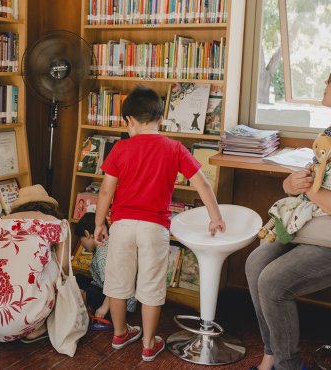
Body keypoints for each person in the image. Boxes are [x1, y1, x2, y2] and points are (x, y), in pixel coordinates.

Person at [94, 86, 226, 362]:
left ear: (130, 120)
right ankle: (148, 343)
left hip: (122, 225)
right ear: (160, 118)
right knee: (152, 286)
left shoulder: (120, 148)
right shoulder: (174, 147)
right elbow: (201, 183)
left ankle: (119, 333)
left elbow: (106, 191)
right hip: (154, 227)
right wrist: (215, 216)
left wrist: (99, 224)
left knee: (117, 282)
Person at [246, 57, 331, 370]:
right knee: (255, 263)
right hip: (316, 226)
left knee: (273, 282)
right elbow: (310, 181)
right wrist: (292, 184)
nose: (326, 80)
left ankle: (287, 365)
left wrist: (311, 191)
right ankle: (272, 355)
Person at [0, 184, 69, 343]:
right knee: (51, 261)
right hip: (26, 314)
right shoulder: (56, 224)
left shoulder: (1, 223)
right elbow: (64, 267)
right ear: (48, 206)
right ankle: (36, 329)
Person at [74, 212, 136, 324]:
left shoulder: (102, 256)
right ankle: (85, 300)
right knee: (77, 278)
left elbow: (114, 284)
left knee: (91, 292)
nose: (81, 244)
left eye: (81, 239)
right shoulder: (105, 244)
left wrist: (104, 307)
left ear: (87, 234)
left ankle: (83, 305)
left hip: (119, 303)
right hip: (113, 292)